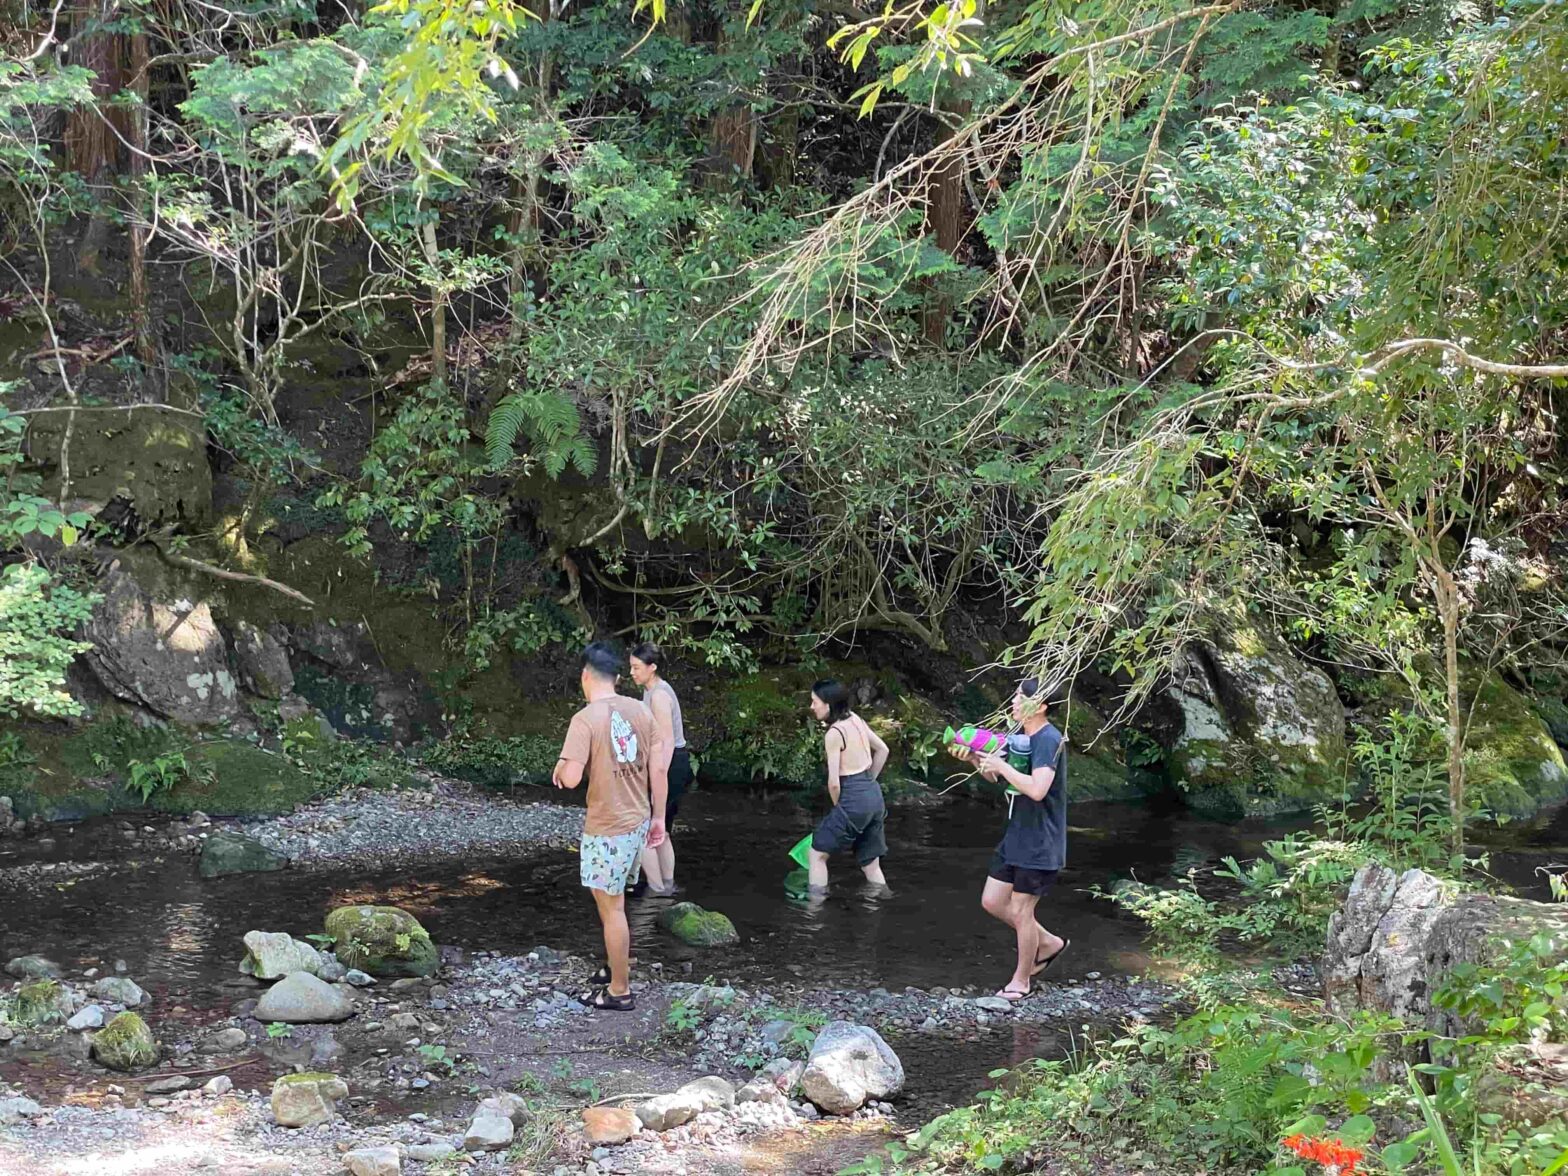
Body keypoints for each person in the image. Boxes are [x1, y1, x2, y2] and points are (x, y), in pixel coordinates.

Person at [551, 640, 668, 1011]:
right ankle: (615, 964)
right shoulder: (640, 710)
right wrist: (658, 817)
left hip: (607, 827)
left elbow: (569, 779)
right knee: (615, 901)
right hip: (636, 819)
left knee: (611, 906)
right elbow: (658, 768)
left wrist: (560, 765)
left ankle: (619, 990)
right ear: (617, 678)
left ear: (585, 676)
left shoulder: (585, 719)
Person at [959, 678, 1069, 1002]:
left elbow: (1037, 789)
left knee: (1022, 911)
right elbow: (995, 775)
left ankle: (1021, 981)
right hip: (1017, 833)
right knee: (992, 900)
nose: (1015, 701)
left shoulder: (1049, 739)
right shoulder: (1020, 735)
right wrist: (975, 760)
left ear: (1042, 705)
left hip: (1041, 840)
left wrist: (1002, 766)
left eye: (1022, 697)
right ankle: (1048, 942)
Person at [805, 680, 890, 894]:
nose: (811, 706)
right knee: (871, 863)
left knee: (816, 854)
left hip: (852, 800)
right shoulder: (855, 719)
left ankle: (814, 914)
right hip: (874, 796)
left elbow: (834, 783)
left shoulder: (834, 733)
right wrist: (869, 782)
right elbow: (883, 750)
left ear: (828, 705)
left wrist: (839, 809)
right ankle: (883, 902)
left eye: (815, 702)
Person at [628, 641, 690, 896]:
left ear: (652, 667)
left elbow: (664, 745)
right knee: (661, 828)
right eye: (631, 667)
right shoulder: (652, 690)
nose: (632, 672)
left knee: (645, 828)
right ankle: (667, 885)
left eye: (636, 668)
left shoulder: (660, 696)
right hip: (674, 763)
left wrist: (655, 783)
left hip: (670, 764)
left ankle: (656, 889)